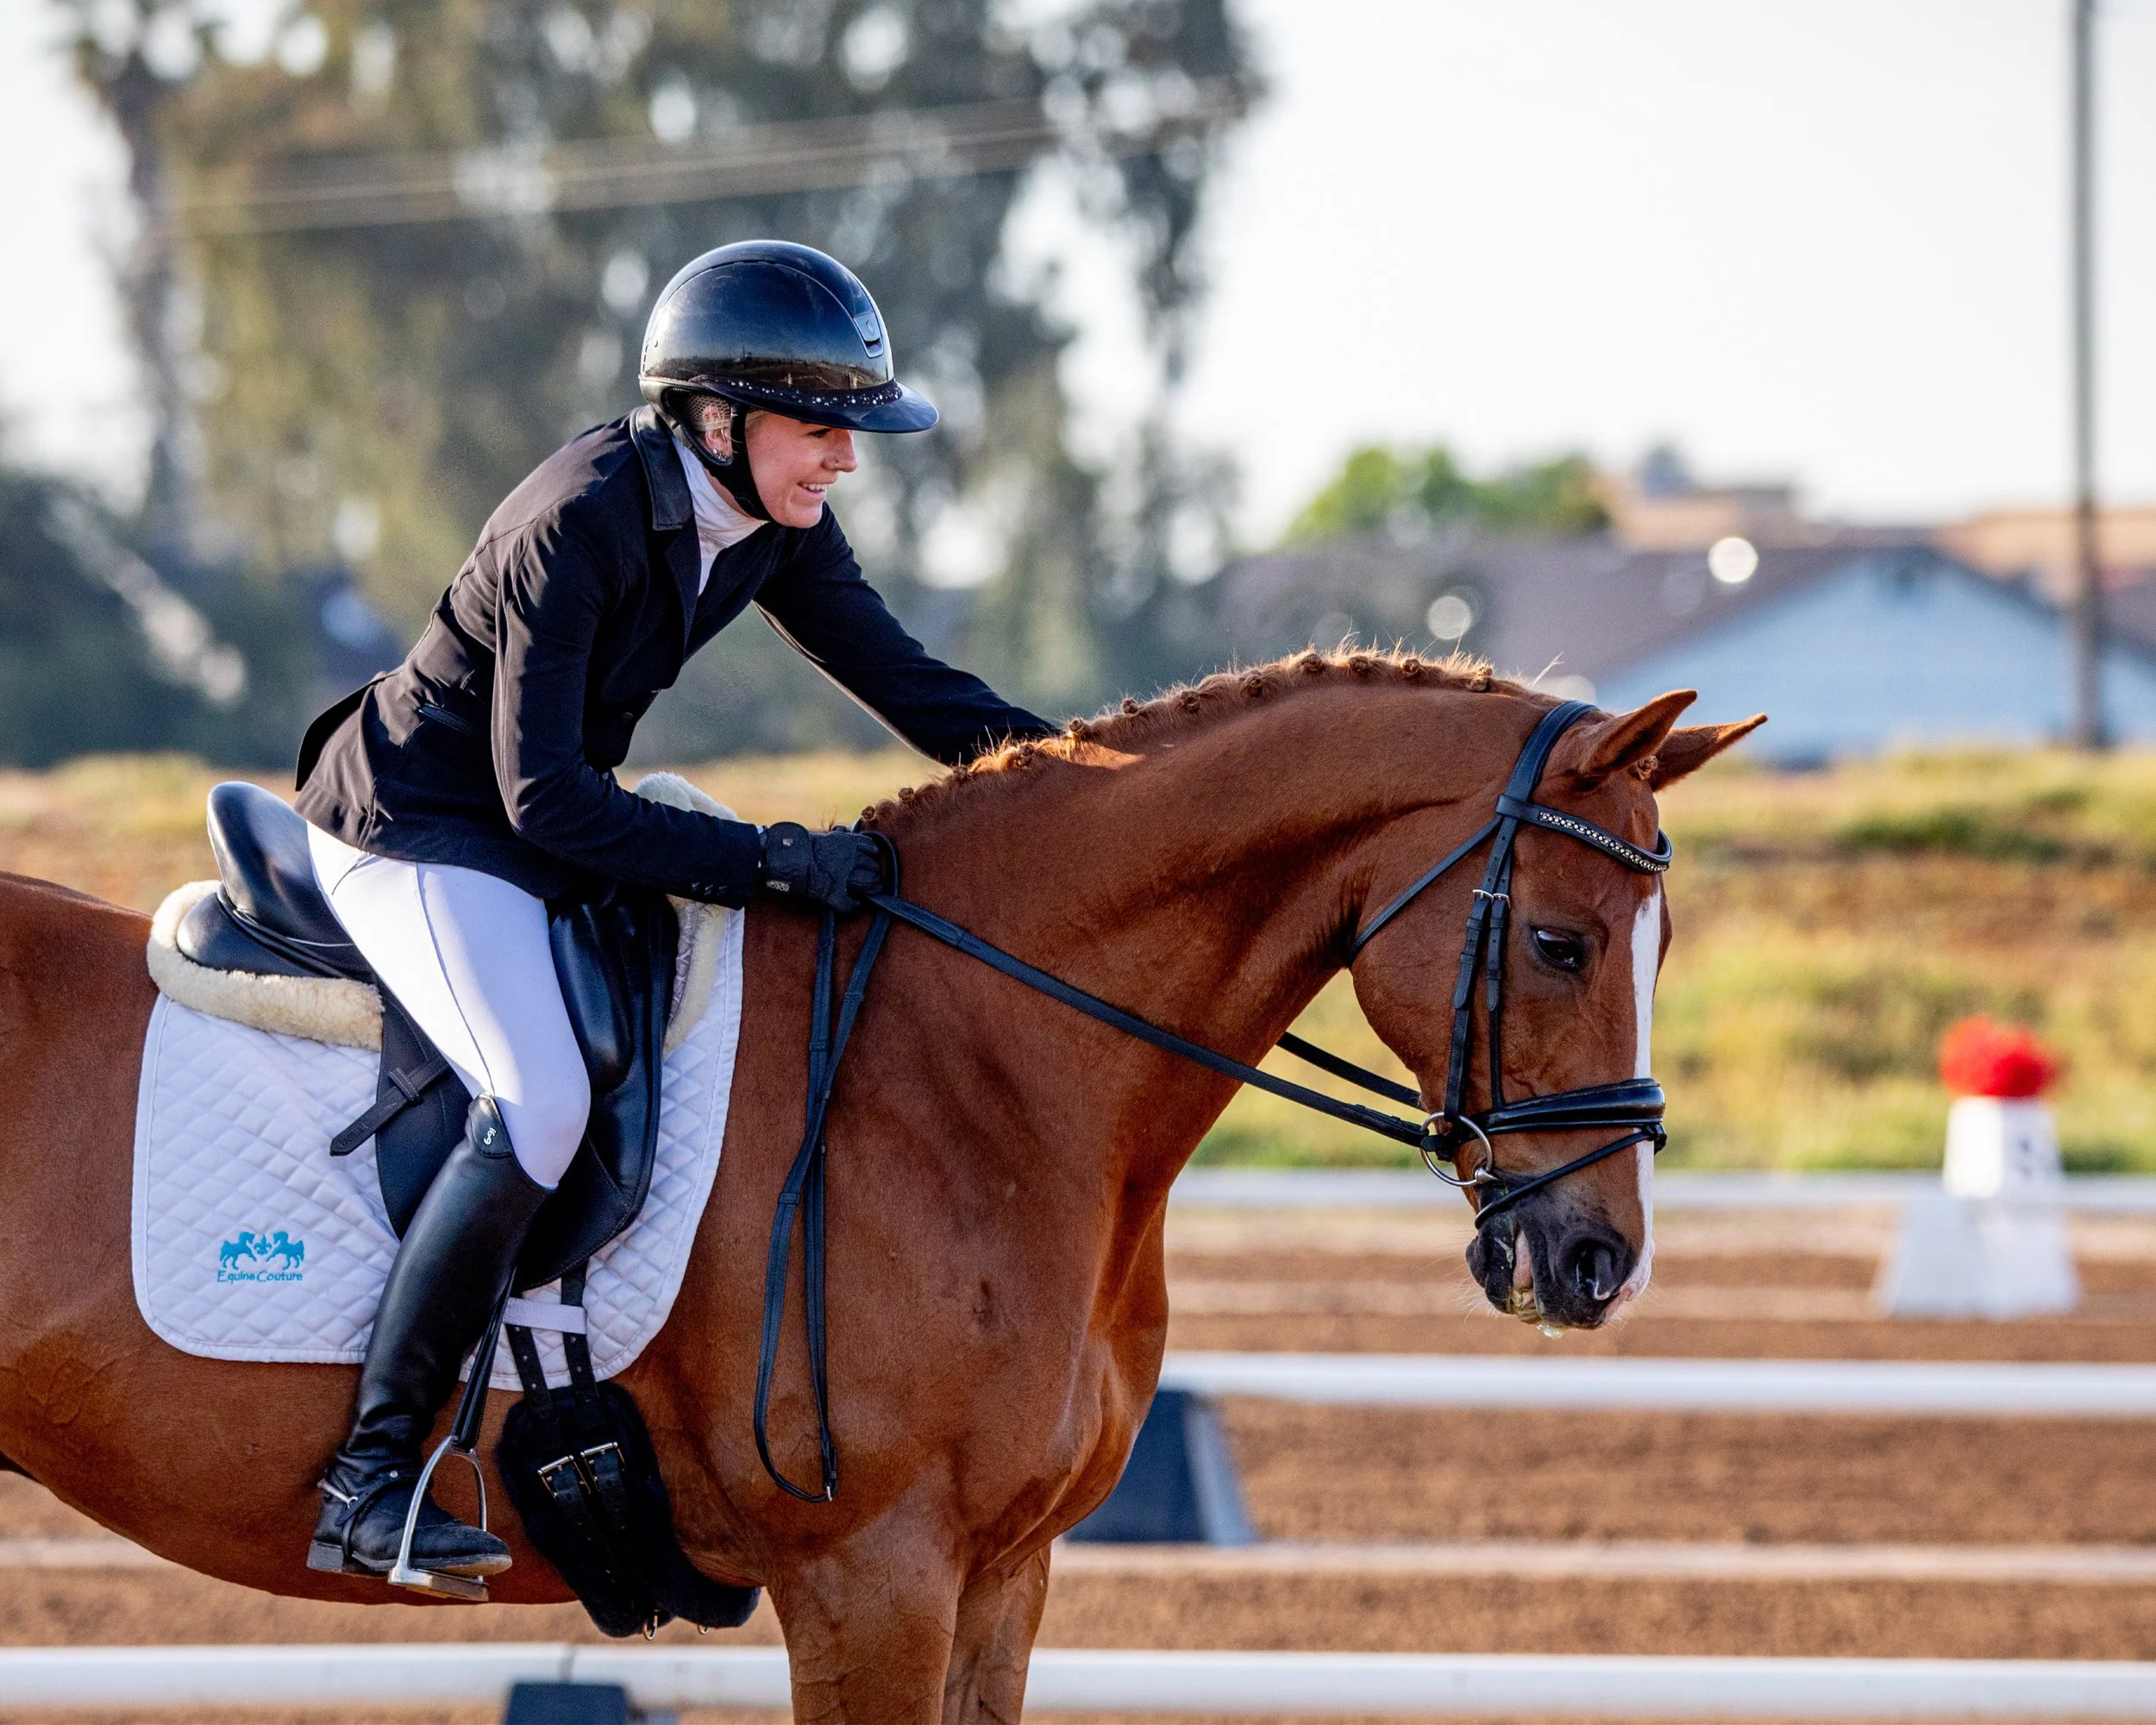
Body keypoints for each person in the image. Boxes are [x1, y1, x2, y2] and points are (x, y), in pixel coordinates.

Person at [292, 240, 1052, 1584]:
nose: (845, 462)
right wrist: (765, 860)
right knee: (538, 1099)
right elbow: (547, 804)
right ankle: (368, 1479)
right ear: (719, 417)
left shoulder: (774, 522)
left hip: (539, 827)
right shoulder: (576, 520)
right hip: (417, 828)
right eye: (823, 430)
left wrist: (1099, 777)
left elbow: (914, 684)